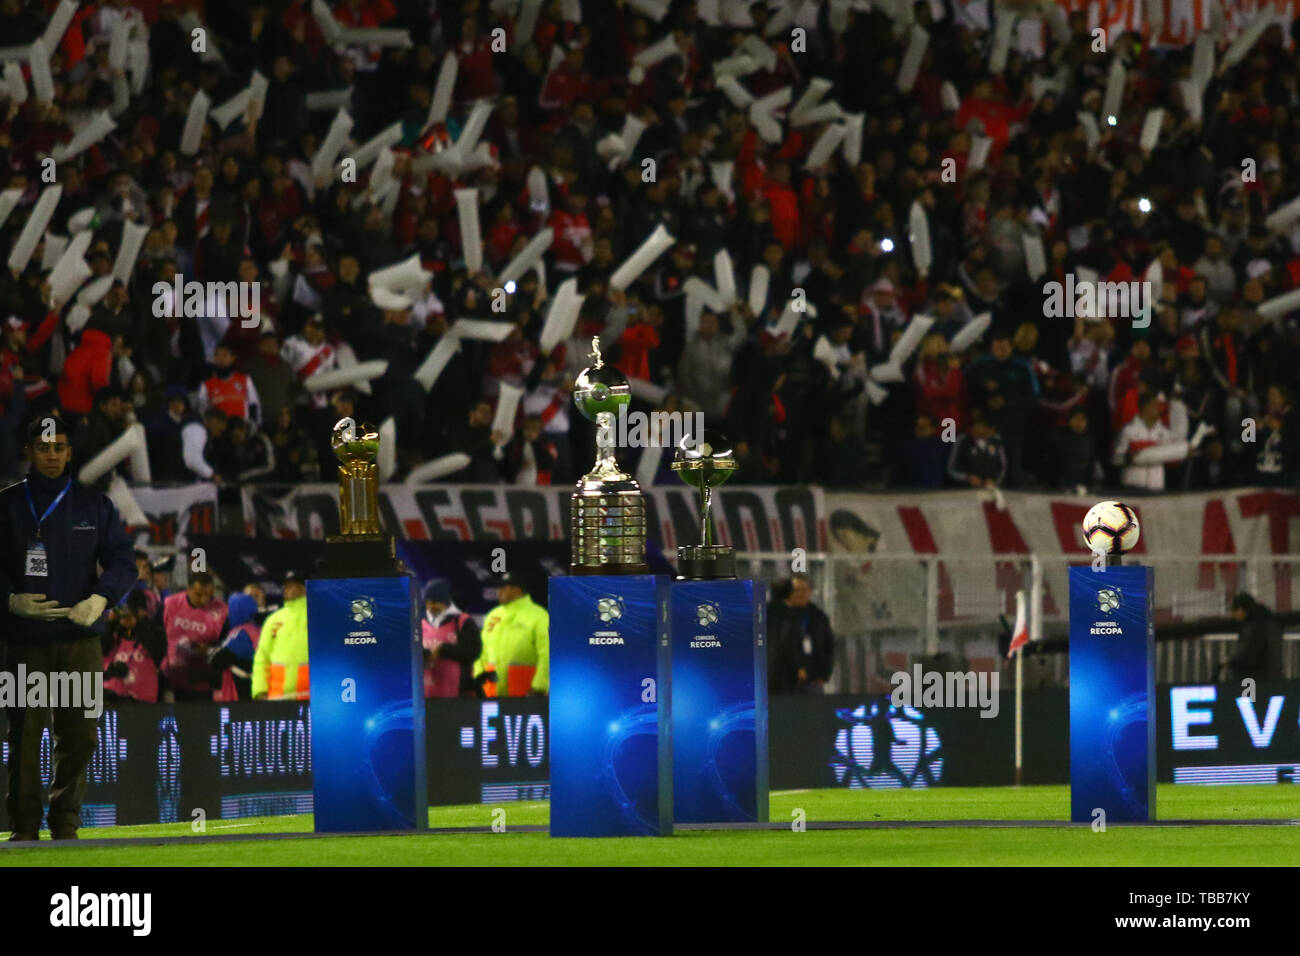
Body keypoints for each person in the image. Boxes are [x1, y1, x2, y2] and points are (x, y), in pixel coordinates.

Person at [0, 415, 135, 840]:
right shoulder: (5, 505)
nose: (52, 455)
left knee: (80, 737)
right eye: (43, 448)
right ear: (30, 452)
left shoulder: (95, 505)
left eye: (59, 447)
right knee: (24, 738)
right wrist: (9, 599)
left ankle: (66, 823)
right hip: (26, 643)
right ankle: (23, 827)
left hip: (80, 642)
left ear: (70, 451)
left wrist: (101, 598)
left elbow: (124, 562)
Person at [477, 573, 548, 697]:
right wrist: (478, 680)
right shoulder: (493, 615)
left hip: (526, 693)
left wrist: (540, 685)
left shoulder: (539, 616)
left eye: (503, 588)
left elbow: (547, 653)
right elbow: (480, 652)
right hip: (491, 693)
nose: (498, 592)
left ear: (516, 589)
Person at [161, 571, 228, 700]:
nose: (204, 599)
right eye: (198, 594)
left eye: (208, 595)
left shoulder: (222, 611)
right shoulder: (169, 604)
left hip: (202, 680)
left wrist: (207, 648)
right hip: (171, 677)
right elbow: (158, 635)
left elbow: (225, 644)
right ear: (188, 589)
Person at [767, 574, 834, 694]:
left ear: (810, 592)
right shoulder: (778, 616)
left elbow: (829, 646)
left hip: (813, 678)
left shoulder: (818, 616)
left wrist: (824, 674)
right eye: (796, 590)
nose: (800, 593)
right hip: (785, 679)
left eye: (804, 590)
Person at [420, 578, 483, 698]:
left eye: (435, 602)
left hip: (456, 696)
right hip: (426, 697)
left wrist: (443, 650)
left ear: (446, 602)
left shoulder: (462, 621)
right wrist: (423, 655)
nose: (430, 606)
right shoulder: (419, 622)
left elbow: (473, 650)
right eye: (428, 602)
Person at [252, 571, 309, 700]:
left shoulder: (317, 615)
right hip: (277, 700)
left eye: (291, 585)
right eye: (286, 585)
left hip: (312, 701)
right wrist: (260, 691)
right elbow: (262, 657)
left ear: (304, 588)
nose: (286, 589)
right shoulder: (274, 619)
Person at [102, 590, 166, 703]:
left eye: (135, 610)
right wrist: (111, 624)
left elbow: (158, 651)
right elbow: (103, 649)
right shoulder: (116, 631)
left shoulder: (153, 629)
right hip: (112, 694)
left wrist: (137, 625)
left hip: (142, 698)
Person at [1220, 593, 1284, 686]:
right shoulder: (1272, 623)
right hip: (1274, 677)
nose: (1232, 615)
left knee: (1249, 699)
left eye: (1233, 611)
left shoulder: (1252, 626)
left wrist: (1229, 661)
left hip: (1254, 679)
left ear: (1240, 610)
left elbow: (1247, 654)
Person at [209, 591, 261, 702]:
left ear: (237, 610)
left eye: (230, 607)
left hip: (240, 694)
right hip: (256, 691)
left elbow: (215, 660)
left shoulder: (240, 634)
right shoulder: (258, 629)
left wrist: (206, 650)